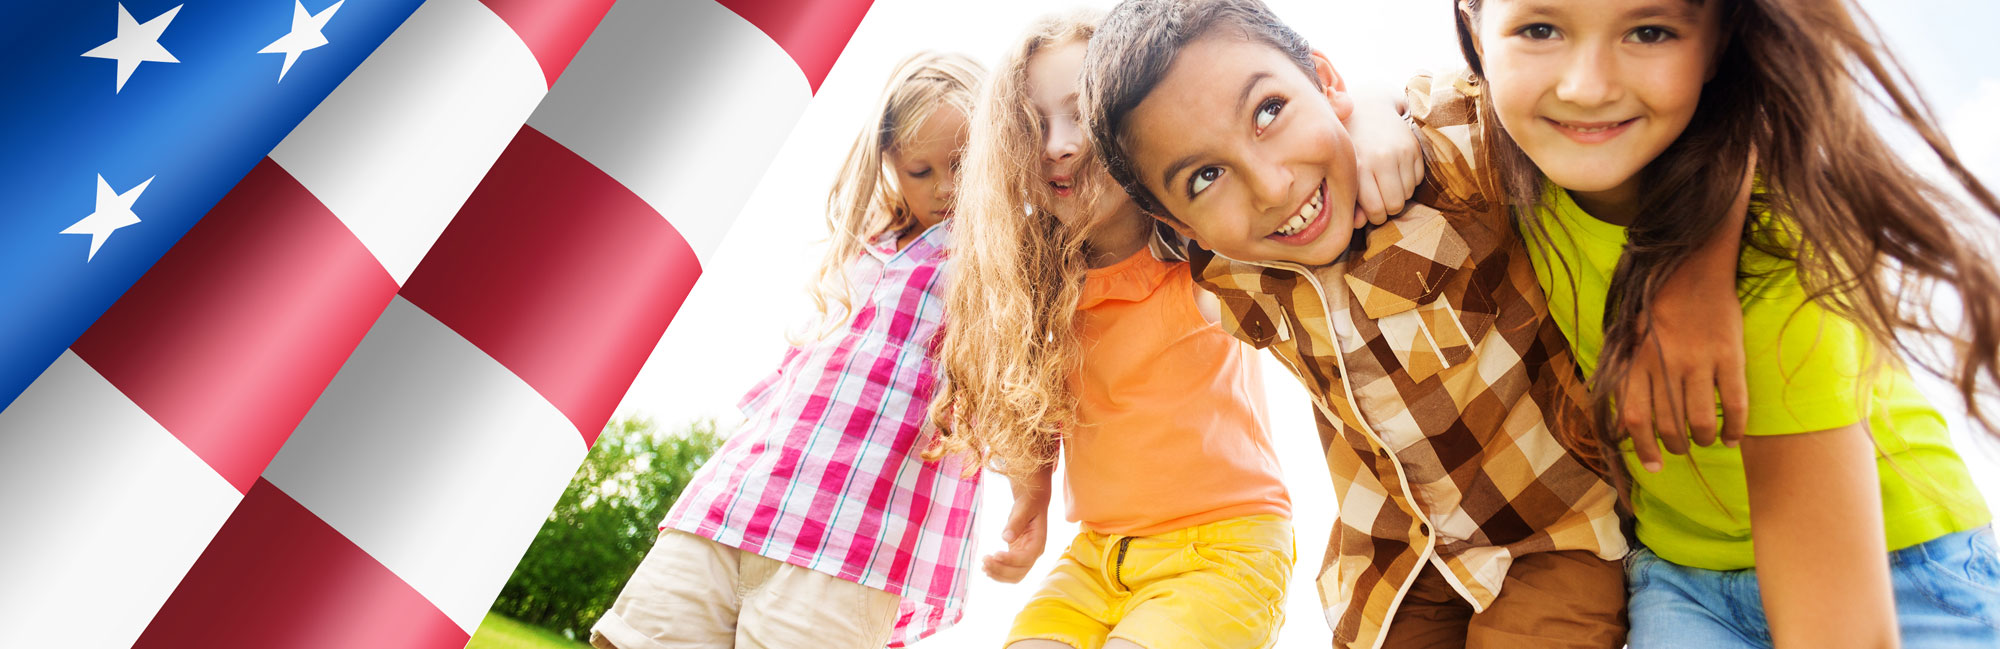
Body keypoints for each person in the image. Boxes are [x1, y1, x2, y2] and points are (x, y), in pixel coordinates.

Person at [587, 51, 985, 649]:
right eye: (919, 170)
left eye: (961, 164)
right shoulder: (862, 247)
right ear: (887, 164)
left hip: (851, 540)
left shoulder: (989, 262)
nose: (944, 187)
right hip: (739, 502)